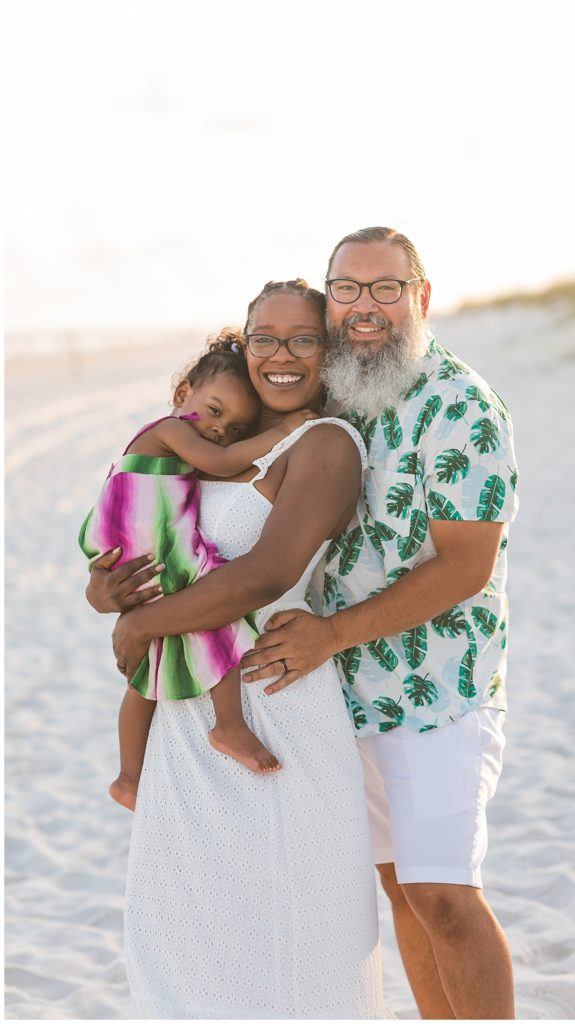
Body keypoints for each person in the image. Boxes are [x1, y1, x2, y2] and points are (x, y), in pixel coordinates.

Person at [239, 228, 520, 1020]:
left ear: (421, 298)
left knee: (447, 896)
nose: (365, 306)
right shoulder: (344, 392)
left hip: (441, 689)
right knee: (403, 891)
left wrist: (328, 634)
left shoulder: (459, 404)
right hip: (350, 693)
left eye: (385, 288)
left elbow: (466, 565)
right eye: (349, 289)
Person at [85, 279, 385, 1019]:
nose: (281, 355)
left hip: (271, 693)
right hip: (188, 709)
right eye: (265, 338)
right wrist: (109, 597)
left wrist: (141, 628)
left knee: (290, 931)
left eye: (303, 338)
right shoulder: (213, 438)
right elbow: (140, 550)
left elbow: (267, 574)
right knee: (190, 930)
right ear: (244, 345)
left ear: (329, 350)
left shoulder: (324, 443)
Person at [79, 337, 320, 806]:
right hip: (144, 538)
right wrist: (285, 429)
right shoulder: (170, 430)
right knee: (214, 602)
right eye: (212, 411)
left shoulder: (179, 439)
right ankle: (228, 724)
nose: (218, 430)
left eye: (233, 428)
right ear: (182, 392)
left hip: (141, 538)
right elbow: (223, 461)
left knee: (146, 671)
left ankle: (128, 778)